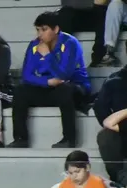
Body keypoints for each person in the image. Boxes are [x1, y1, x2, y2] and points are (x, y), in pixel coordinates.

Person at [9, 11, 91, 149]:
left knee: (65, 89)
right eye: (38, 30)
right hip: (49, 87)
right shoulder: (34, 45)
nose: (40, 34)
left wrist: (47, 55)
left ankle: (69, 139)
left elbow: (64, 74)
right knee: (20, 91)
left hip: (75, 88)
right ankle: (20, 138)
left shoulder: (70, 43)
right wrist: (47, 82)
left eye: (44, 29)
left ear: (56, 29)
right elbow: (27, 75)